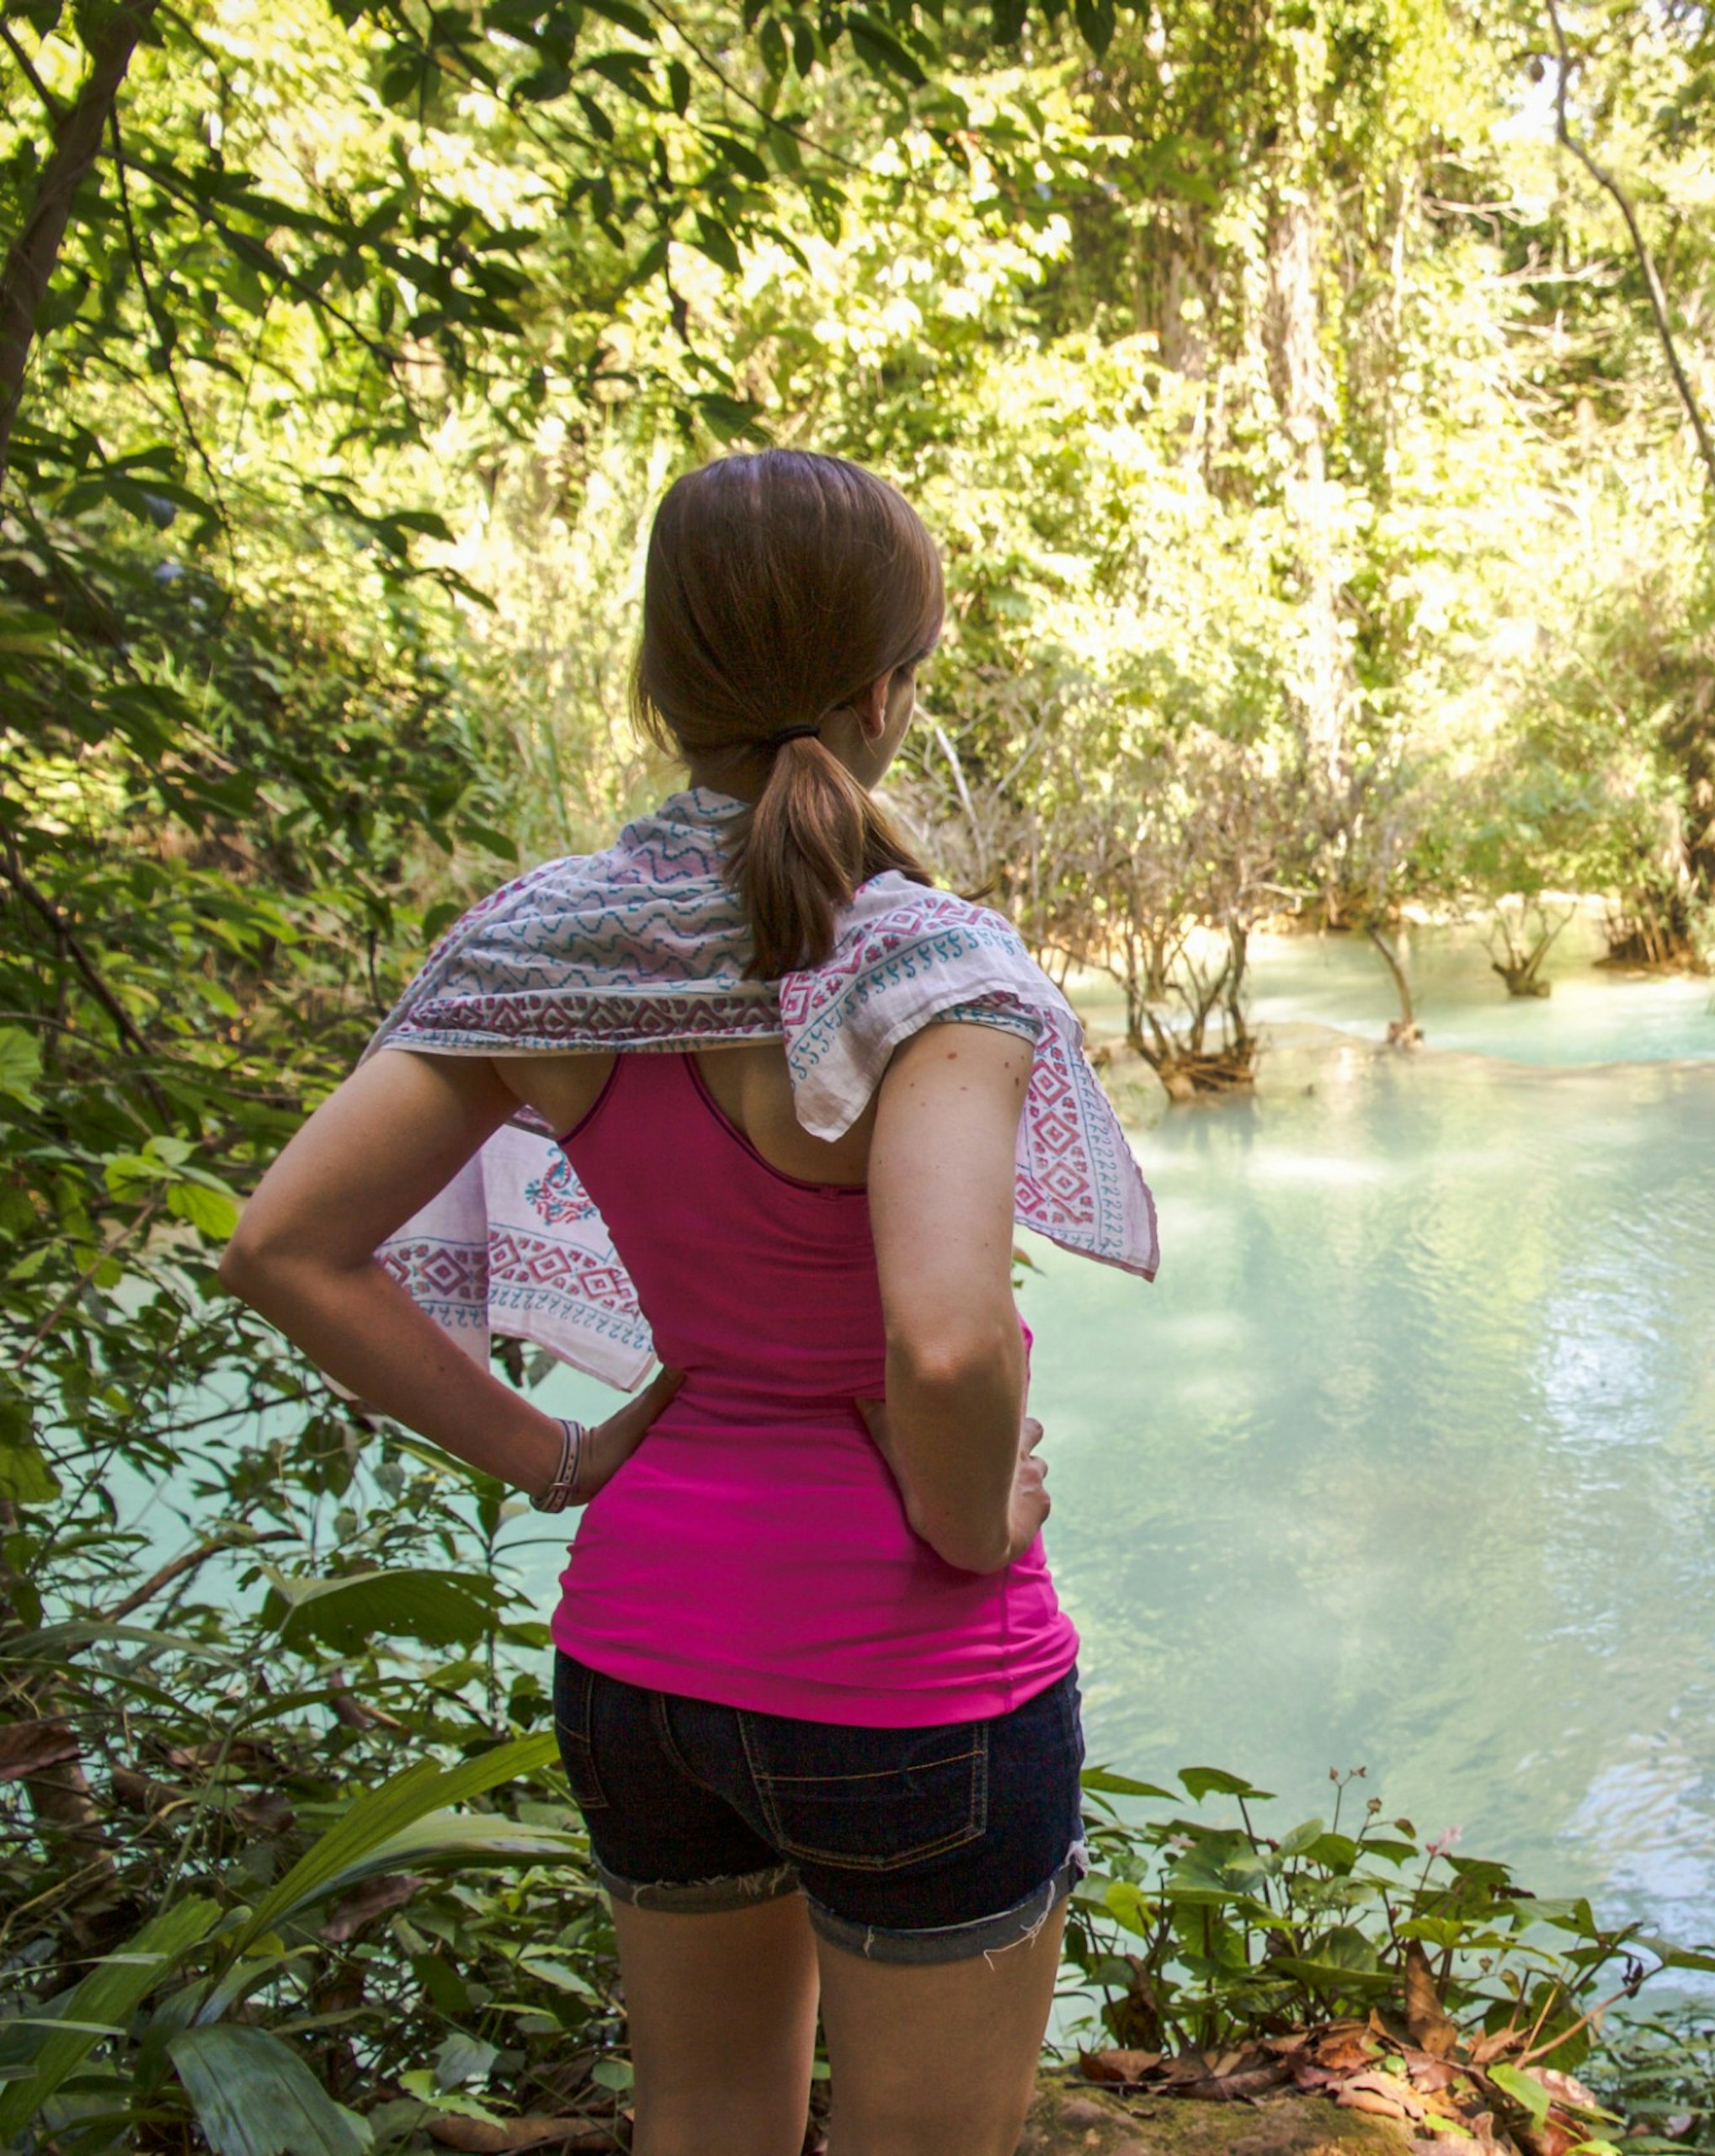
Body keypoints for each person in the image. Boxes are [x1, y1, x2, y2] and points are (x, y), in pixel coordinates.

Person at [222, 450, 1157, 2156]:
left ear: (657, 688)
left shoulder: (546, 955)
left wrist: (559, 1456)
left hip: (642, 1646)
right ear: (884, 696)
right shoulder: (931, 969)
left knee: (704, 2126)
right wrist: (959, 1530)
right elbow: (943, 1338)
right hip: (911, 1681)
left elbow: (282, 1247)